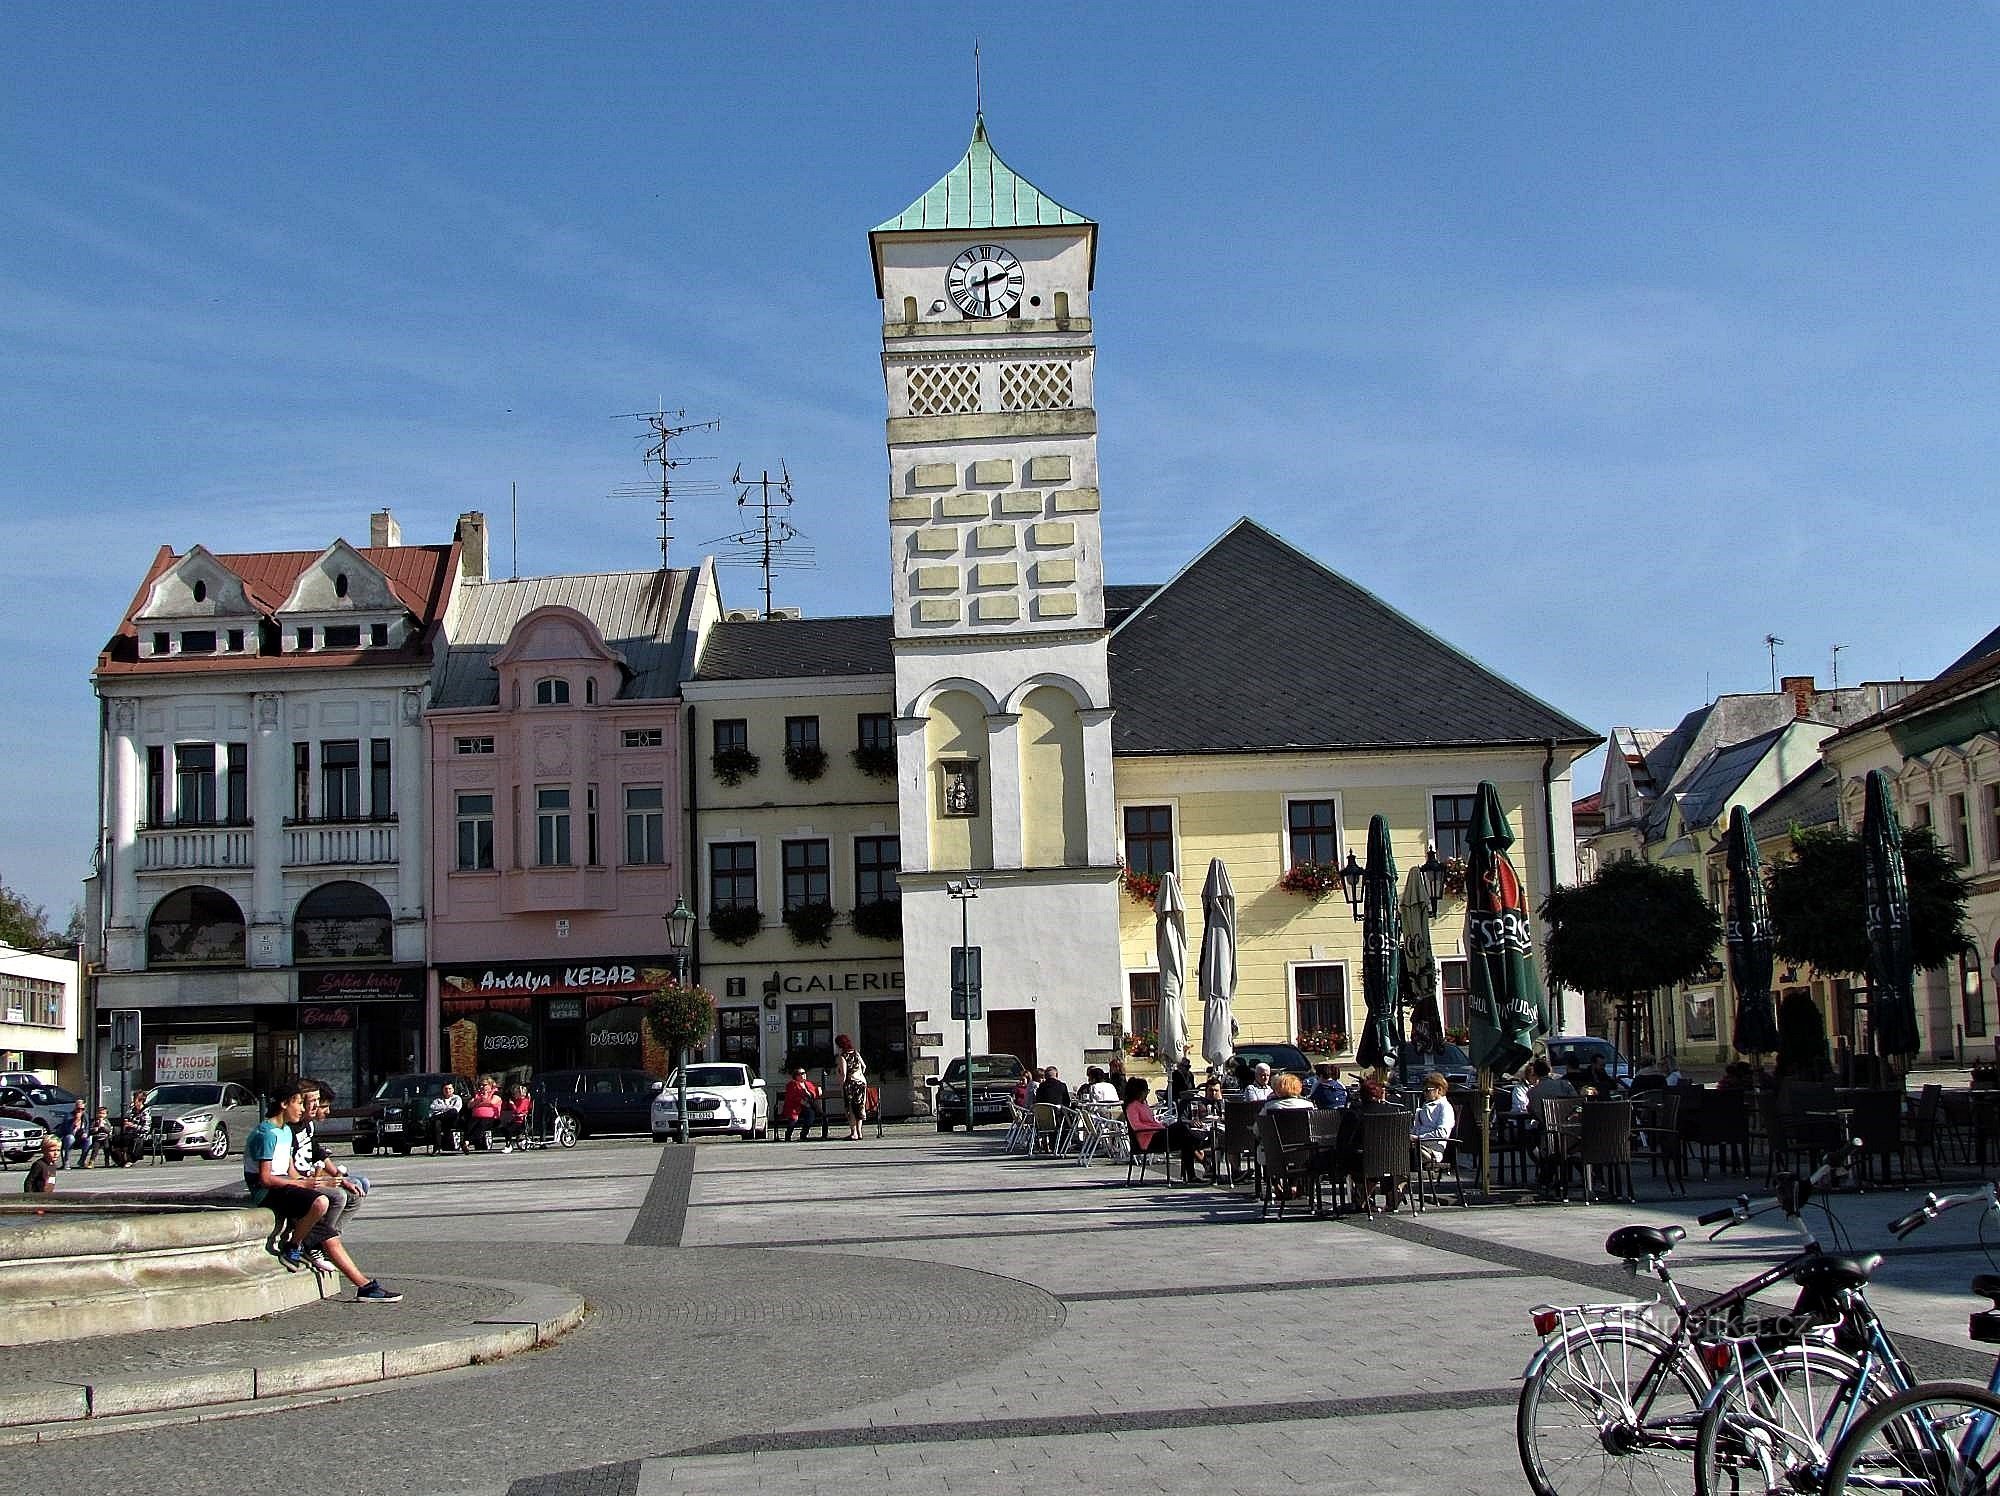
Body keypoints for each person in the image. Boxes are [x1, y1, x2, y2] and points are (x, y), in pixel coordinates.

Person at [244, 1081, 329, 1264]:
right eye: (298, 1103)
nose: (301, 1108)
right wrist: (300, 1184)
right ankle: (294, 1245)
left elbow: (289, 1169)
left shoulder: (286, 1131)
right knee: (319, 1202)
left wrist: (305, 1179)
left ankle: (314, 1245)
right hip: (266, 1192)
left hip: (283, 1186)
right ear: (284, 1104)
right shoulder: (266, 1133)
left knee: (327, 1196)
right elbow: (265, 1178)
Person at [1121, 1076, 1199, 1182]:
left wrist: (1161, 1124)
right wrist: (1156, 1126)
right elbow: (1136, 1126)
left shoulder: (1143, 1105)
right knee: (1181, 1129)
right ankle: (1197, 1146)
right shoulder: (1132, 1107)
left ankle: (1191, 1175)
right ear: (1139, 1092)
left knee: (1186, 1138)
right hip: (1147, 1140)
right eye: (1146, 1091)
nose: (1147, 1093)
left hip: (1157, 1134)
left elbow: (1151, 1121)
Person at [1411, 1072, 1454, 1166]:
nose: (1424, 1093)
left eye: (1427, 1090)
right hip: (1417, 1146)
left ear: (1439, 1090)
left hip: (1430, 1151)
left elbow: (1442, 1133)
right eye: (1424, 1090)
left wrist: (1418, 1138)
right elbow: (1416, 1128)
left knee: (1399, 1154)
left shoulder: (1445, 1107)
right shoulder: (1425, 1105)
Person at [835, 1034, 867, 1141]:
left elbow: (844, 1073)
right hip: (861, 1083)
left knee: (851, 1109)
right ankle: (860, 1132)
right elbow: (864, 1066)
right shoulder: (856, 1053)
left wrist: (841, 1085)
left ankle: (854, 1133)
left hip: (850, 1084)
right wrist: (860, 1074)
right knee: (860, 1107)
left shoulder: (842, 1056)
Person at [779, 1067, 821, 1141]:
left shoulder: (808, 1083)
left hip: (806, 1107)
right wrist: (802, 1102)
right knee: (793, 1119)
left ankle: (803, 1134)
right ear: (796, 1076)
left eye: (804, 1073)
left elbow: (814, 1094)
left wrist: (817, 1090)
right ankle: (788, 1135)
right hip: (794, 1106)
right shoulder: (792, 1084)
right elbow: (792, 1097)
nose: (803, 1075)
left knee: (810, 1116)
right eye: (800, 1074)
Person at [464, 1078, 503, 1151]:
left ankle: (467, 1141)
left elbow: (492, 1102)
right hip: (476, 1116)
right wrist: (480, 1100)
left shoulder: (495, 1094)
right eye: (480, 1085)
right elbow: (469, 1105)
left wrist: (479, 1102)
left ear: (490, 1085)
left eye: (484, 1085)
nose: (481, 1087)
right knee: (470, 1125)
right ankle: (466, 1142)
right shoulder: (477, 1095)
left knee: (481, 1125)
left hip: (491, 1118)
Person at [429, 1081, 464, 1152]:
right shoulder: (437, 1099)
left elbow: (456, 1109)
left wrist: (442, 1108)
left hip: (452, 1120)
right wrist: (448, 1107)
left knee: (453, 1112)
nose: (448, 1091)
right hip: (442, 1121)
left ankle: (435, 1118)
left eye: (449, 1089)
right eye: (446, 1089)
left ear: (453, 1089)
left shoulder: (457, 1098)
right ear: (442, 1090)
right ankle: (437, 1146)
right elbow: (433, 1107)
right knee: (437, 1123)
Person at [497, 1083, 532, 1150]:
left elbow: (518, 1111)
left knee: (509, 1129)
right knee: (502, 1128)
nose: (514, 1094)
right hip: (514, 1120)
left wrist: (512, 1105)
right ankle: (508, 1142)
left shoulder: (524, 1101)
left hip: (521, 1122)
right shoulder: (516, 1100)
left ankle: (509, 1145)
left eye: (516, 1093)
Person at [58, 1098, 88, 1169]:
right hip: (68, 1138)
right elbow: (68, 1131)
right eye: (78, 1109)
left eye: (82, 1109)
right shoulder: (69, 1116)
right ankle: (66, 1160)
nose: (80, 1111)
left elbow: (87, 1128)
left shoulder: (85, 1116)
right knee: (70, 1138)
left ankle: (82, 1160)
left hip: (79, 1139)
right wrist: (75, 1121)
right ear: (75, 1108)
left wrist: (85, 1133)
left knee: (89, 1140)